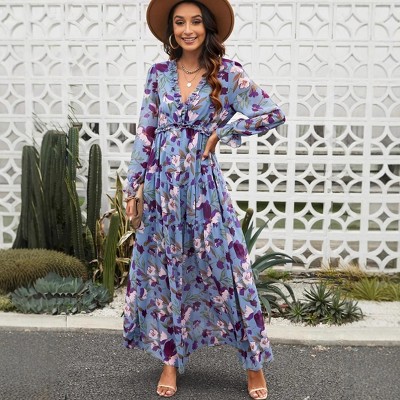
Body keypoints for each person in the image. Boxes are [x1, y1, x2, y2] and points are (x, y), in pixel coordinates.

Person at [123, 0, 285, 398]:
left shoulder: (227, 73)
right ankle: (170, 359)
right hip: (161, 191)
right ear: (171, 30)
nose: (187, 29)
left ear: (207, 27)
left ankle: (253, 364)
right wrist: (133, 187)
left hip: (204, 191)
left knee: (229, 271)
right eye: (179, 22)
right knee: (165, 273)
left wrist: (223, 133)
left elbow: (271, 113)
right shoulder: (158, 74)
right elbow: (145, 132)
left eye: (195, 21)